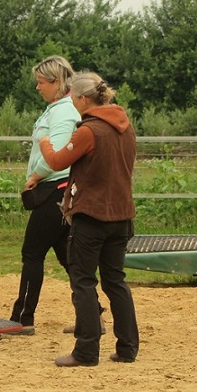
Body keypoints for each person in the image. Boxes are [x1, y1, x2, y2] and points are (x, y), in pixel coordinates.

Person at [39, 71, 139, 367]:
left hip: (92, 216)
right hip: (121, 215)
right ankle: (128, 348)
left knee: (82, 281)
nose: (71, 103)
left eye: (72, 98)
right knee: (115, 281)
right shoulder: (126, 127)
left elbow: (57, 161)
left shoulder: (90, 131)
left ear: (83, 99)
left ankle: (85, 351)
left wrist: (45, 142)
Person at [8, 56, 79, 335]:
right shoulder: (60, 108)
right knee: (66, 256)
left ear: (56, 83)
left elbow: (58, 152)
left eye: (40, 82)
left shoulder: (62, 111)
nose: (37, 88)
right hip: (62, 191)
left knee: (32, 253)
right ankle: (92, 314)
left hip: (54, 189)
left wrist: (35, 175)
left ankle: (22, 318)